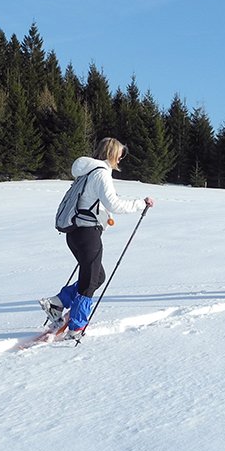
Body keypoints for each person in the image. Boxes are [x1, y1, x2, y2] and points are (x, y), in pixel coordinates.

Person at [40, 138, 154, 339]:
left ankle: (57, 303)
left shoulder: (87, 172)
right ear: (111, 154)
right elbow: (115, 205)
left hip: (75, 234)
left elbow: (90, 203)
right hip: (86, 234)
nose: (121, 157)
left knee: (96, 276)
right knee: (90, 279)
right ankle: (77, 326)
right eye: (120, 153)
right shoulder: (101, 174)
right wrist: (140, 203)